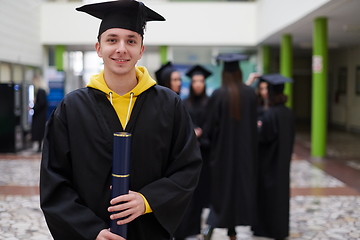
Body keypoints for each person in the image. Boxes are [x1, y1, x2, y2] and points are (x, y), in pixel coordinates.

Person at [39, 1, 202, 240]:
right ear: (98, 47)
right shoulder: (71, 108)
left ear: (141, 50)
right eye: (112, 39)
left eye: (131, 40)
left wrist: (148, 200)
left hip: (148, 231)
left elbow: (188, 167)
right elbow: (54, 179)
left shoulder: (169, 105)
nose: (121, 49)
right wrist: (90, 230)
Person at [202, 53, 258, 240]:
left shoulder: (218, 95)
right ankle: (232, 230)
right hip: (245, 155)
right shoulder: (250, 94)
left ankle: (211, 226)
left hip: (222, 155)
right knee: (238, 189)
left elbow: (209, 127)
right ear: (240, 72)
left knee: (221, 191)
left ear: (224, 73)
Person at [251, 74, 295, 240]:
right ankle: (280, 229)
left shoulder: (270, 114)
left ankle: (265, 229)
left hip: (268, 162)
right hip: (282, 162)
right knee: (281, 197)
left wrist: (258, 128)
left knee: (267, 197)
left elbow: (264, 137)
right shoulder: (287, 112)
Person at [174, 65, 212, 240]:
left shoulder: (210, 103)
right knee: (188, 193)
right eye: (195, 81)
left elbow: (213, 127)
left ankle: (196, 228)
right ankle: (184, 229)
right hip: (188, 154)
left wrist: (202, 135)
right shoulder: (184, 102)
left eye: (201, 81)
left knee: (201, 195)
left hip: (205, 153)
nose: (198, 85)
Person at [31, 75, 48, 152]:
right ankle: (39, 146)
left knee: (38, 130)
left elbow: (41, 103)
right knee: (40, 130)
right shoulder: (43, 91)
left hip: (39, 115)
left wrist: (33, 107)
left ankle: (38, 147)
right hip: (42, 115)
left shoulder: (40, 91)